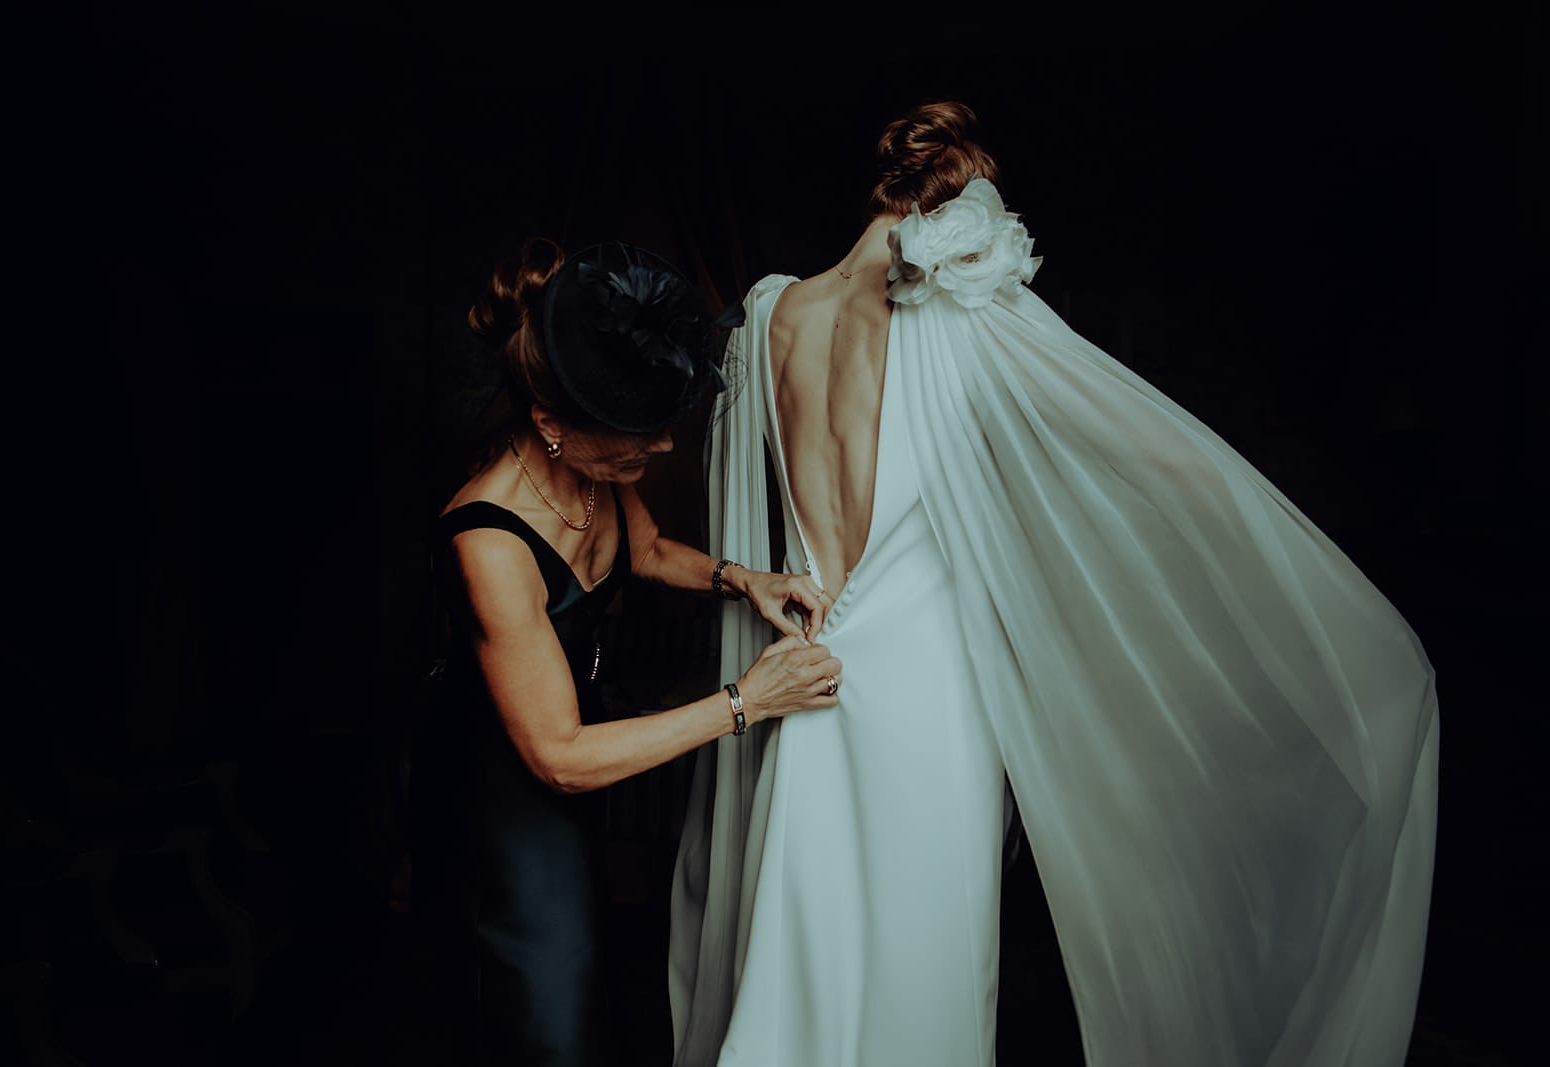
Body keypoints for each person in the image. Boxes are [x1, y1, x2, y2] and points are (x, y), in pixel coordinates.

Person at [668, 101, 1439, 1066]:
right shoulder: (951, 306)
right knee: (925, 970)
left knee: (807, 953)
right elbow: (1163, 457)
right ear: (960, 206)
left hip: (808, 668)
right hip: (931, 700)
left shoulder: (769, 312)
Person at [409, 237, 843, 1066]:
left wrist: (742, 577)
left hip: (577, 762)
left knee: (582, 974)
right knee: (544, 1002)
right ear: (551, 424)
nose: (663, 451)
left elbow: (641, 552)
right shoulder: (487, 542)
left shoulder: (598, 459)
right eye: (640, 439)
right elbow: (560, 756)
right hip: (502, 792)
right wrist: (747, 700)